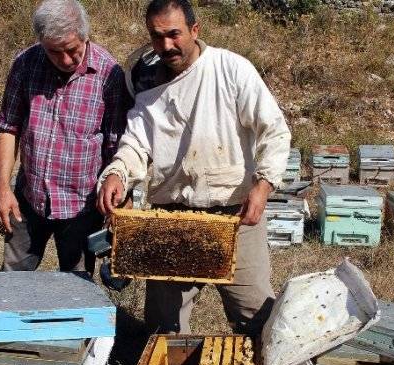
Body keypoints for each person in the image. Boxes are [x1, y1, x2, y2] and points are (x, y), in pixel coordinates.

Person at [97, 0, 291, 337]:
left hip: (235, 216)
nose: (167, 45)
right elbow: (136, 144)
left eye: (174, 34)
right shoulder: (146, 84)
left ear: (195, 30)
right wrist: (117, 173)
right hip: (171, 217)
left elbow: (274, 130)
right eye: (158, 37)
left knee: (257, 318)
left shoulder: (232, 69)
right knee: (163, 329)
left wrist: (263, 185)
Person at [0, 0, 129, 273]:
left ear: (85, 36)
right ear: (42, 43)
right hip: (29, 200)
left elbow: (117, 144)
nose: (66, 60)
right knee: (11, 283)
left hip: (82, 206)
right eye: (55, 52)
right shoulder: (25, 64)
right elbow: (8, 127)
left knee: (77, 287)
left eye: (72, 50)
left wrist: (121, 200)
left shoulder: (108, 73)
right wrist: (3, 188)